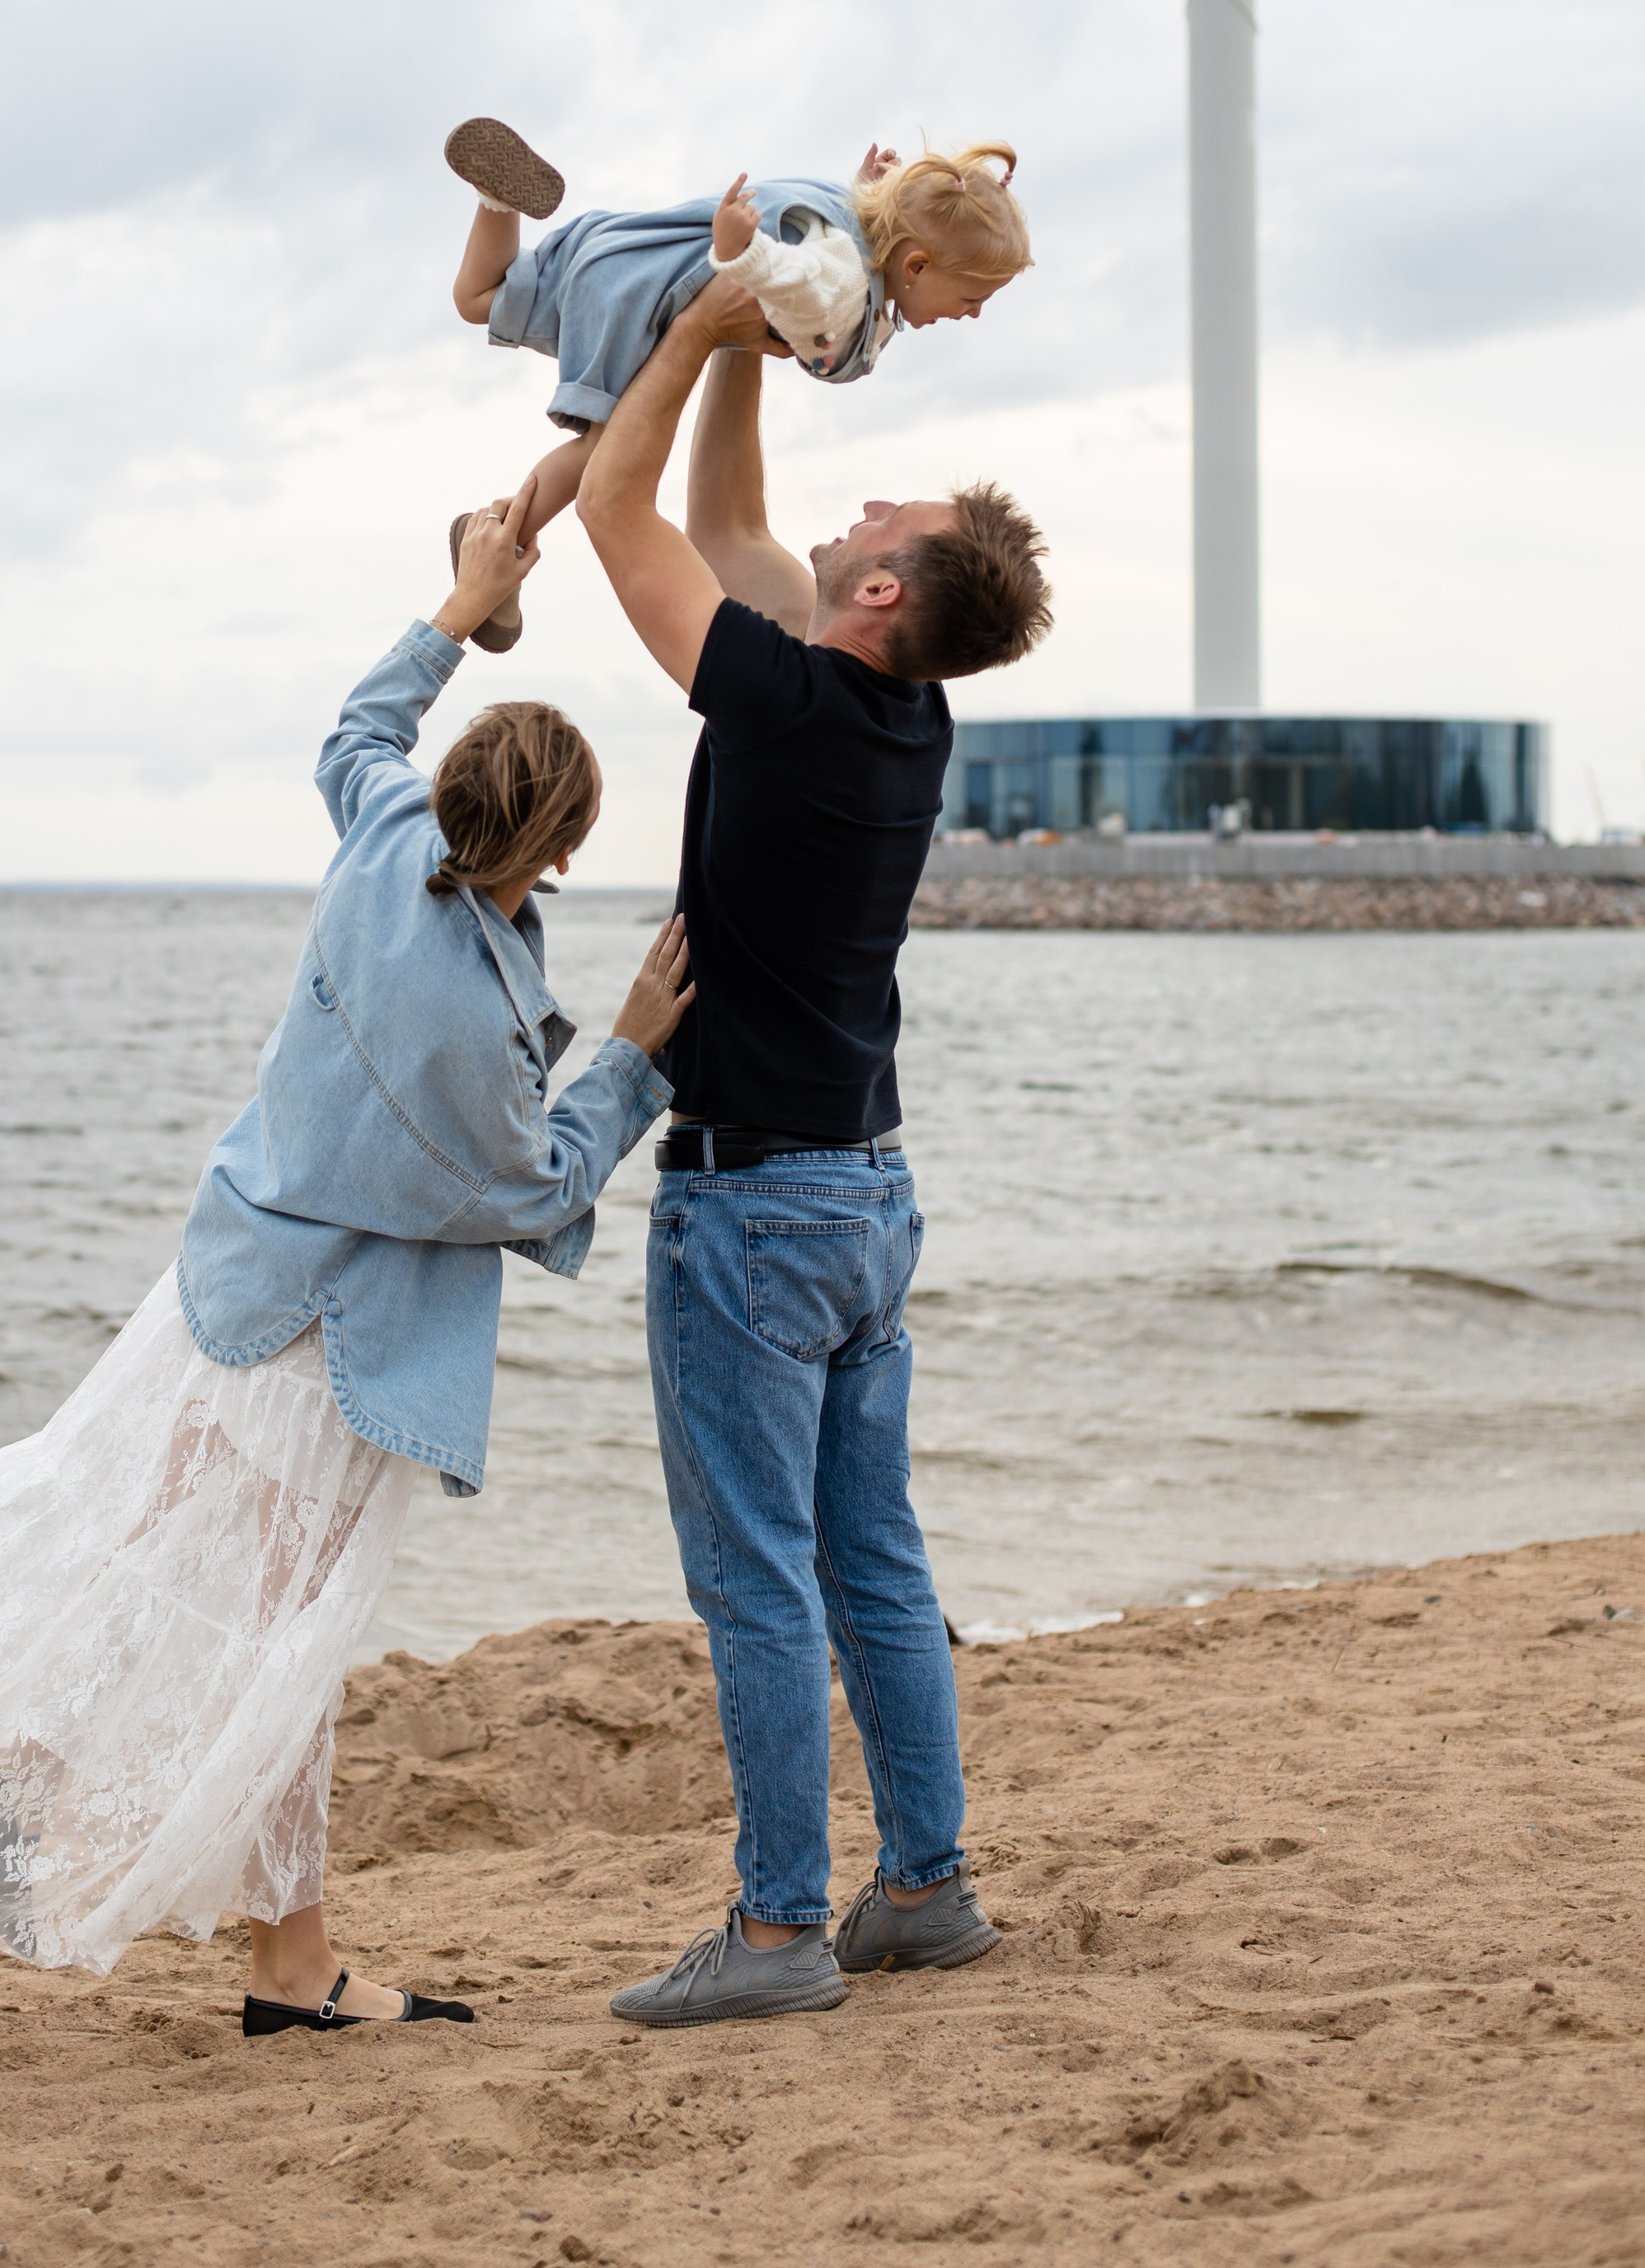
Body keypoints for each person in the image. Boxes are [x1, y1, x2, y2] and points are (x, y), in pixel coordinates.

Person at [0, 492, 690, 2028]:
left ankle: (193, 1886)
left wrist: (462, 601)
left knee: (147, 1556)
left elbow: (354, 729)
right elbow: (530, 1188)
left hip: (222, 1292)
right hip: (333, 1352)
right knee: (276, 1640)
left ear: (453, 797)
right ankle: (193, 1895)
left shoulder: (382, 841)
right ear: (562, 847)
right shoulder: (475, 1019)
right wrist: (632, 1055)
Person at [571, 285, 1052, 2027]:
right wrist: (765, 336)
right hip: (862, 1198)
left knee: (758, 1578)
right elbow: (725, 525)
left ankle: (778, 1930)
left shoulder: (779, 706)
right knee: (873, 1559)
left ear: (875, 599)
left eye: (884, 524)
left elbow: (627, 523)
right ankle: (922, 1888)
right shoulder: (897, 718)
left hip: (759, 1207)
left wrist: (699, 318)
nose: (859, 512)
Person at [439, 114, 1033, 649]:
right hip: (642, 304)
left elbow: (827, 242)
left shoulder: (846, 224)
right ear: (917, 266)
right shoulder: (844, 289)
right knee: (601, 455)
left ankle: (497, 200)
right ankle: (502, 532)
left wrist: (869, 188)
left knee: (477, 298)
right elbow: (796, 276)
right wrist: (742, 258)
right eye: (972, 297)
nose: (972, 313)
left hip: (626, 255)